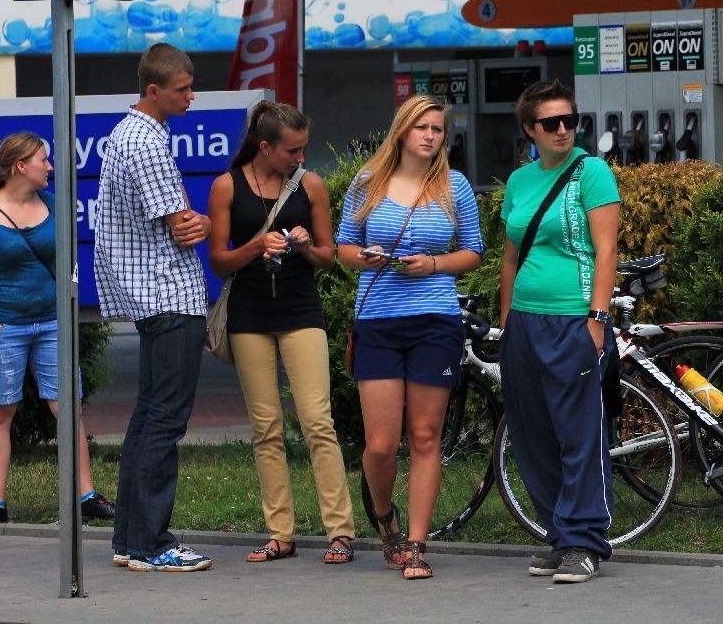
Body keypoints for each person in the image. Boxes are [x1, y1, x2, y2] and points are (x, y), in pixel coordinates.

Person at [336, 94, 483, 579]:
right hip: (378, 319)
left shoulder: (454, 186)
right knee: (380, 445)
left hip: (434, 320)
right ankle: (385, 519)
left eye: (438, 129)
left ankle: (417, 544)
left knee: (424, 436)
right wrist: (365, 257)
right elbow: (343, 247)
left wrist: (434, 264)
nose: (430, 136)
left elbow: (473, 252)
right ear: (402, 131)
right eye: (421, 127)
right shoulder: (367, 183)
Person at [207, 101, 356, 564]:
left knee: (317, 421)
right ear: (265, 146)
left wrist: (308, 246)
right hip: (249, 316)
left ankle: (341, 531)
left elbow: (330, 257)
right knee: (266, 428)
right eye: (292, 150)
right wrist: (255, 246)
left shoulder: (309, 186)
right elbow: (218, 261)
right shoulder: (225, 186)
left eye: (304, 148)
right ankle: (280, 533)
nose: (301, 158)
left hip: (300, 310)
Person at [0, 133, 115, 532]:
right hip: (3, 328)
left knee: (67, 409)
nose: (51, 166)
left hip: (53, 324)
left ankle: (86, 496)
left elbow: (68, 262)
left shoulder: (54, 205)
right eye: (45, 159)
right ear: (22, 165)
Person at [94, 42, 213, 572]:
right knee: (165, 421)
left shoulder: (127, 135)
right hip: (168, 295)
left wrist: (193, 220)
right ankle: (153, 543)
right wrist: (205, 223)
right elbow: (183, 224)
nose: (191, 96)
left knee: (148, 419)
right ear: (153, 90)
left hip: (150, 295)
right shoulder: (145, 141)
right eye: (183, 89)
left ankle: (129, 541)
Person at [498, 79, 620, 583]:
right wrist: (506, 323)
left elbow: (606, 251)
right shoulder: (519, 181)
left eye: (571, 120)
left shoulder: (592, 173)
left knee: (578, 435)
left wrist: (597, 319)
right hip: (525, 321)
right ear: (530, 129)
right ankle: (560, 533)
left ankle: (585, 541)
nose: (564, 130)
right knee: (532, 435)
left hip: (575, 318)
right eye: (552, 123)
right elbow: (508, 258)